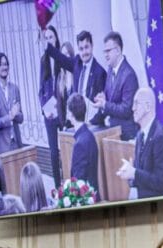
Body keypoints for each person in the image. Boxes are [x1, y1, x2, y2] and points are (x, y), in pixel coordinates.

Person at [116, 88, 163, 198]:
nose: (132, 108)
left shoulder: (161, 137)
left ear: (147, 107)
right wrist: (130, 175)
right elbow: (140, 174)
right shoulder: (139, 135)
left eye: (136, 103)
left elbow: (161, 182)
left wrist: (134, 173)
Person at [93, 31, 138, 140]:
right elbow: (111, 98)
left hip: (126, 134)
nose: (105, 55)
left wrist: (105, 104)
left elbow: (126, 109)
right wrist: (103, 99)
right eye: (104, 51)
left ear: (118, 50)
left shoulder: (129, 75)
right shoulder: (110, 69)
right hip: (114, 131)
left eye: (108, 51)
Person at [44, 29, 106, 105]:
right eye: (81, 49)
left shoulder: (100, 72)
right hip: (75, 111)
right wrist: (45, 44)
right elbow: (60, 58)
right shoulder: (76, 62)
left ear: (92, 45)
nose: (84, 52)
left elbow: (101, 103)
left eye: (86, 47)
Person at [39, 25, 64, 188]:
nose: (49, 40)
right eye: (46, 38)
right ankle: (57, 186)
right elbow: (40, 90)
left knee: (67, 149)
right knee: (54, 153)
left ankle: (70, 182)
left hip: (63, 112)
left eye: (51, 37)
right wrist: (45, 109)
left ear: (56, 39)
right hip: (49, 115)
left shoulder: (62, 58)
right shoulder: (44, 60)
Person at [0, 53, 23, 155]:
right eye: (2, 65)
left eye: (6, 64)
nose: (5, 67)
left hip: (17, 143)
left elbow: (21, 118)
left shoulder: (15, 88)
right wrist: (10, 117)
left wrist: (16, 114)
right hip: (3, 147)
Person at [66, 94, 98, 189]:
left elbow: (78, 180)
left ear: (71, 114)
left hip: (86, 195)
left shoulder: (79, 144)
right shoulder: (90, 135)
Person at [56, 42, 75, 130]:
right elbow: (60, 105)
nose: (65, 57)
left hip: (78, 122)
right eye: (63, 55)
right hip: (67, 124)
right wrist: (63, 124)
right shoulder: (60, 77)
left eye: (67, 54)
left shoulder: (77, 73)